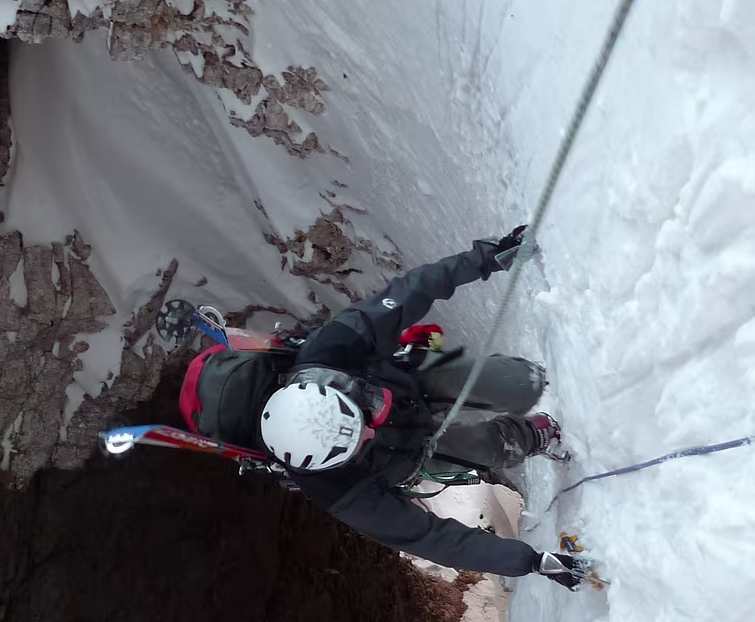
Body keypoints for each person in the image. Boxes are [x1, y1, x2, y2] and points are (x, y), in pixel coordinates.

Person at [252, 228, 593, 589]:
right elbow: (432, 538)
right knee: (485, 449)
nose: (369, 432)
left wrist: (486, 258)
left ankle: (540, 382)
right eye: (355, 445)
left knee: (518, 383)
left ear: (338, 388)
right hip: (403, 457)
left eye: (361, 416)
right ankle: (534, 435)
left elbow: (411, 291)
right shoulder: (334, 489)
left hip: (405, 383)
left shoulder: (331, 350)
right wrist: (532, 562)